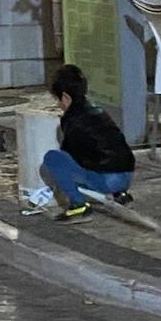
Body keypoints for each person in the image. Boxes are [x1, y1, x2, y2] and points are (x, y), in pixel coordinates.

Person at [39, 65, 135, 223]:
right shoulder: (98, 110)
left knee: (53, 159)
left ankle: (79, 206)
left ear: (66, 97)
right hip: (126, 176)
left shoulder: (72, 119)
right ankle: (120, 195)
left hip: (108, 180)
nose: (58, 105)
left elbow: (72, 156)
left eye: (58, 99)